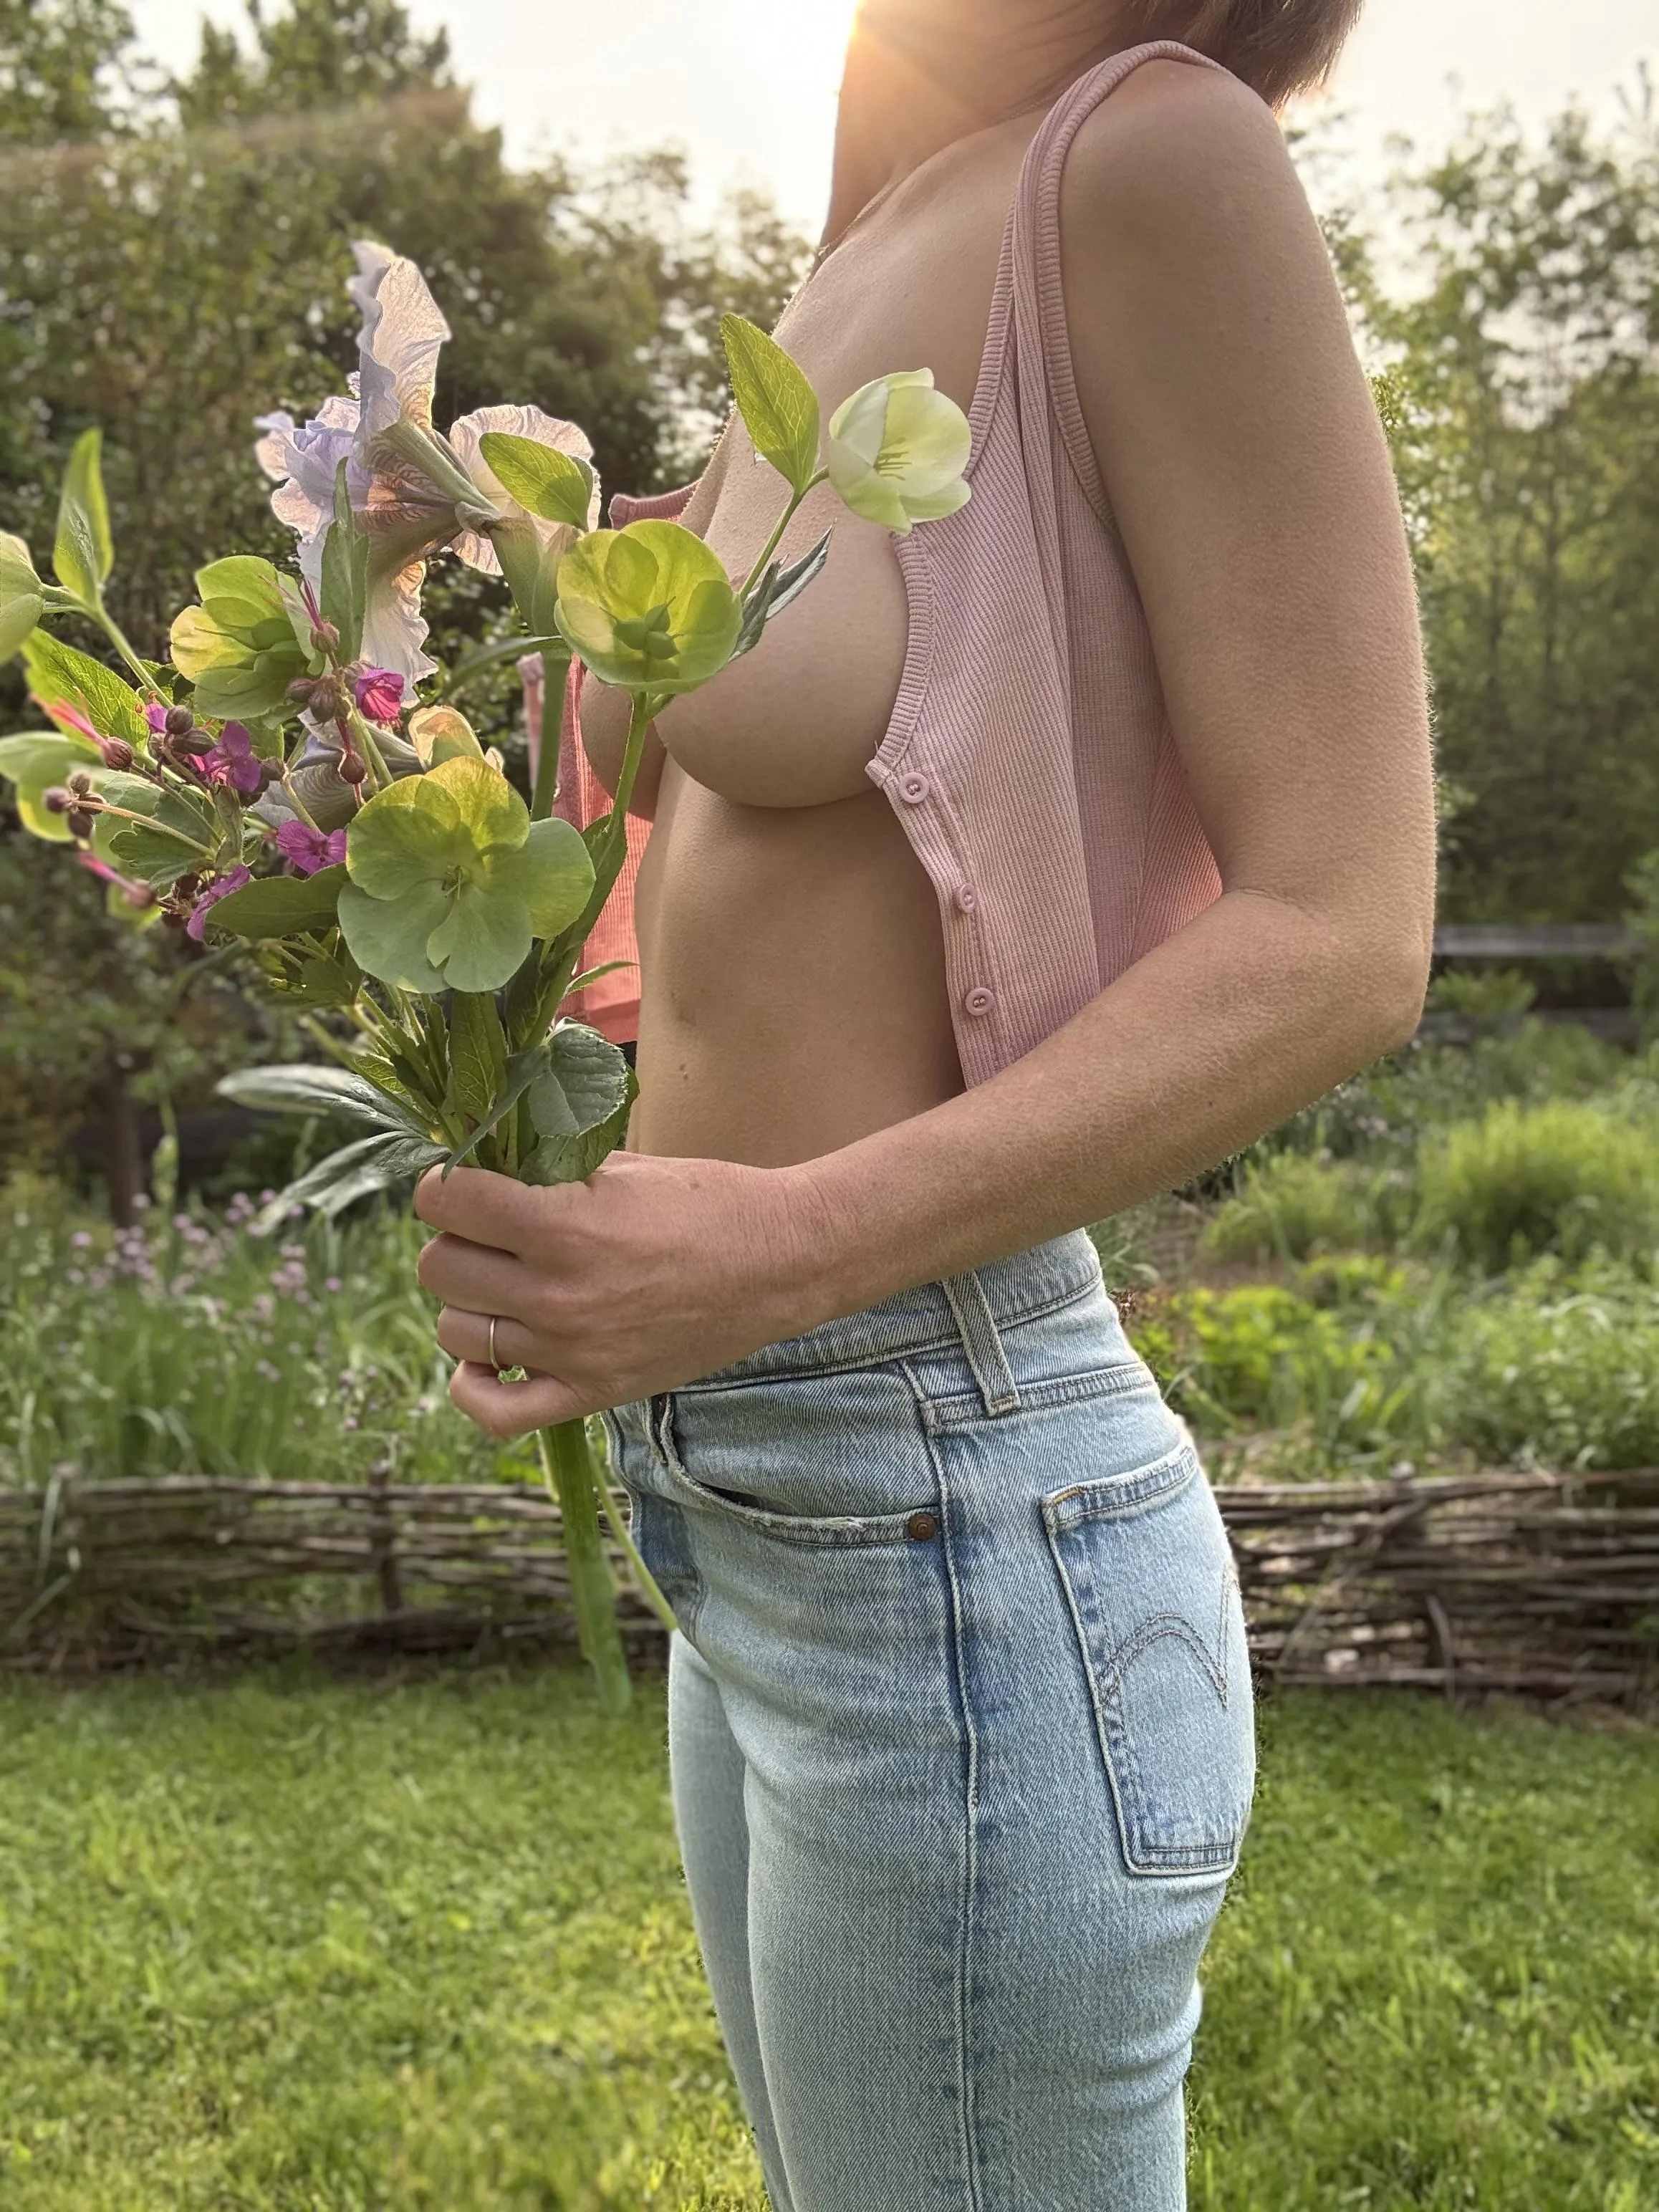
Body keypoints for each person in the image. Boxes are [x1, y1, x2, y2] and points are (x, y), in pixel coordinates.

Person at [414, 1, 1436, 2202]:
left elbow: (1344, 934)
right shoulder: (861, 243)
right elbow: (723, 895)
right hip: (761, 1499)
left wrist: (772, 1245)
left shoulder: (1150, 162)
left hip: (945, 1500)